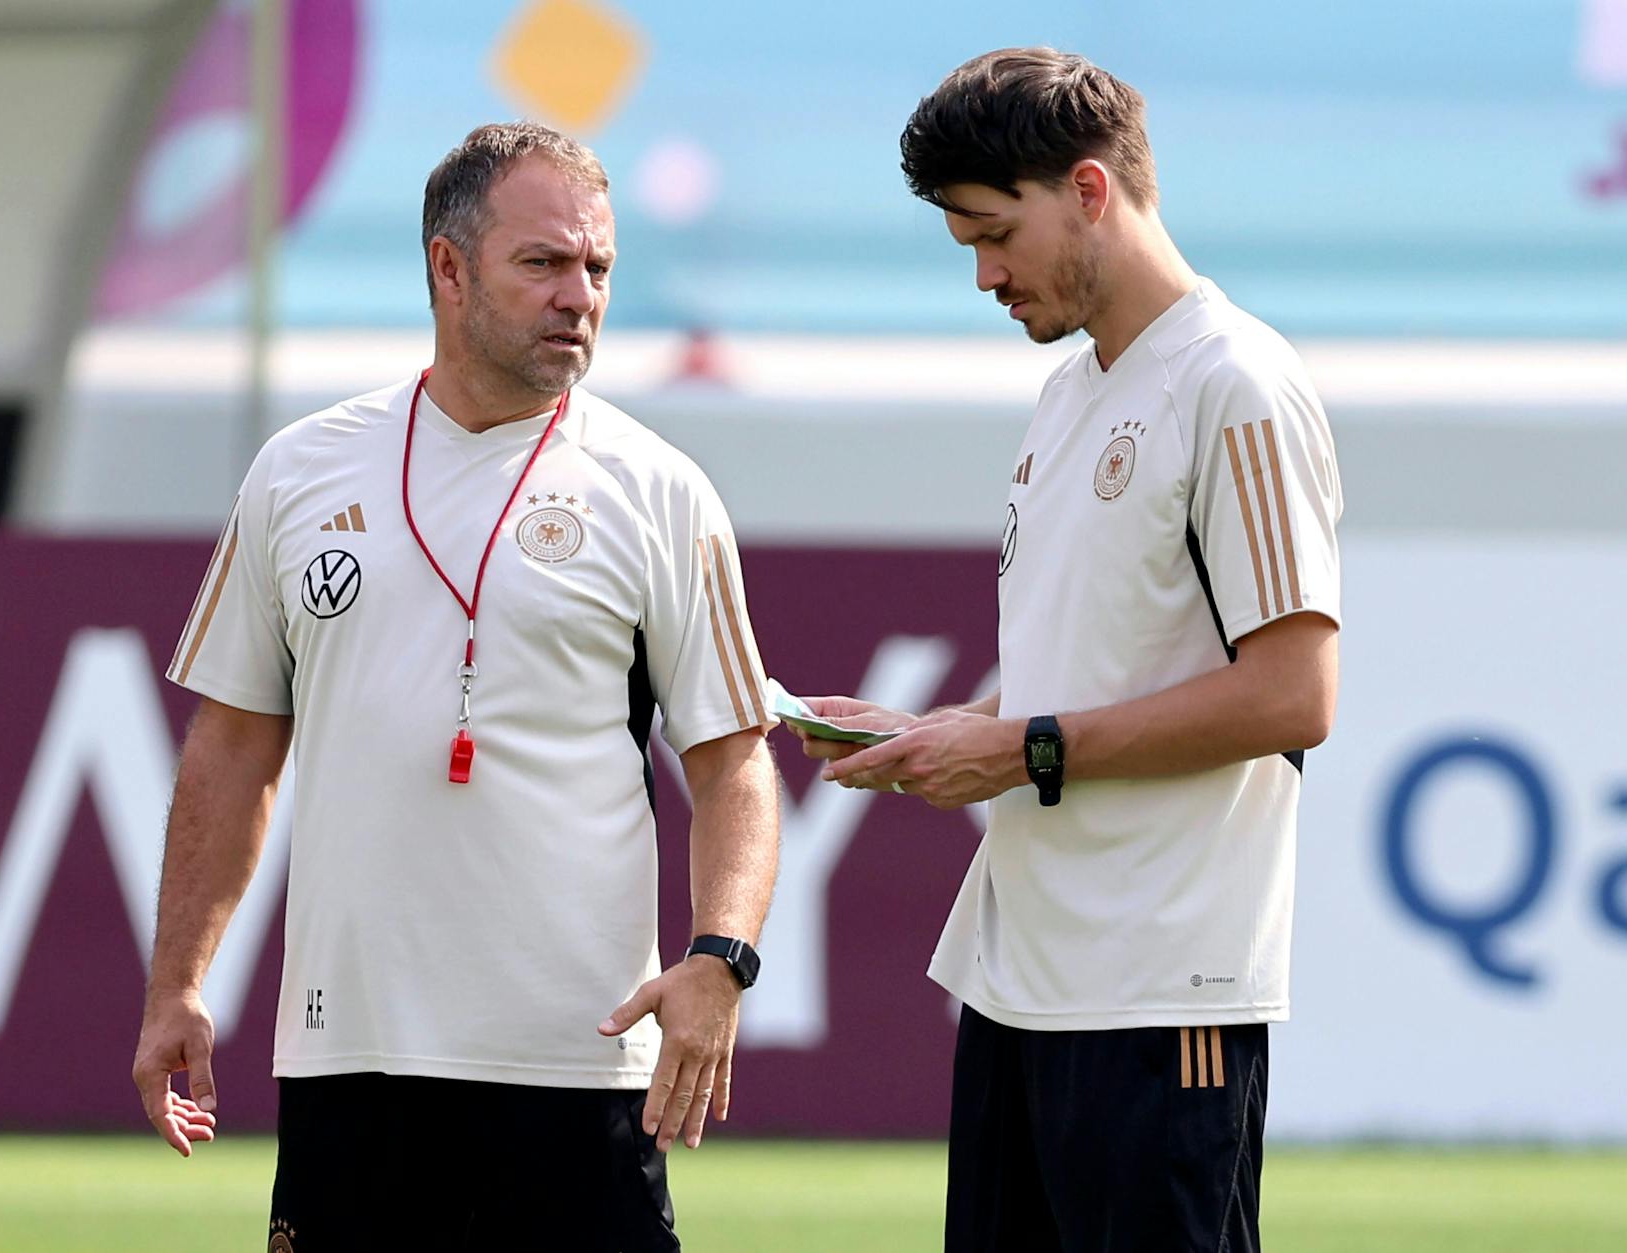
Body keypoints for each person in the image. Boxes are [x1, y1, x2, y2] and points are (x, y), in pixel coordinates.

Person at [131, 122, 780, 1252]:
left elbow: (733, 761)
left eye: (597, 269)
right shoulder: (298, 470)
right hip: (353, 1059)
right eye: (542, 263)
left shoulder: (660, 490)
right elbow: (232, 748)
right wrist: (178, 981)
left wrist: (720, 958)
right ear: (447, 266)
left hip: (575, 1063)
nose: (578, 295)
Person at [797, 49, 1343, 1253]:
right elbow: (1087, 662)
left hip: (1160, 992)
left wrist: (1024, 747)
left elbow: (1294, 694)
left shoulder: (1235, 382)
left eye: (994, 235)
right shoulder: (1067, 393)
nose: (985, 274)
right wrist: (944, 733)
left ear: (1090, 192)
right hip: (1022, 983)